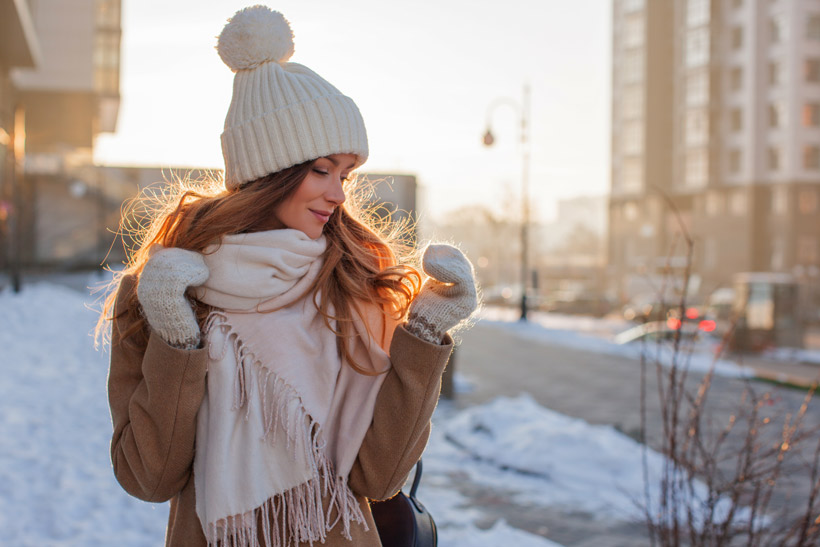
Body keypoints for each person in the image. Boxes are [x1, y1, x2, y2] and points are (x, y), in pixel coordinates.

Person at [99, 6, 478, 547]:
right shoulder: (164, 291)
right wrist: (177, 337)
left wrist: (425, 331)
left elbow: (379, 477)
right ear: (268, 173)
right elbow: (148, 476)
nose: (339, 193)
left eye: (345, 174)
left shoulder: (353, 284)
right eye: (321, 170)